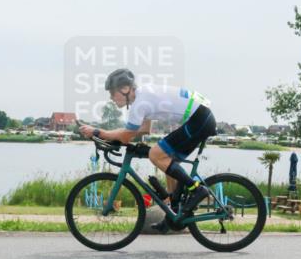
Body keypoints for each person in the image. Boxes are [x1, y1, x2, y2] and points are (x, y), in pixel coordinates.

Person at [78, 69, 217, 230]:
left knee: (156, 154)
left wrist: (97, 131)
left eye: (112, 93)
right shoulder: (143, 95)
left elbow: (125, 136)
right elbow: (144, 129)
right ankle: (173, 216)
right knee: (167, 162)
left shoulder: (139, 104)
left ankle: (197, 189)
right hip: (201, 117)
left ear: (124, 89)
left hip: (199, 119)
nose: (111, 98)